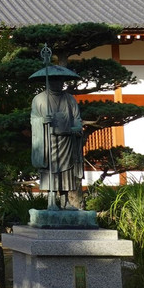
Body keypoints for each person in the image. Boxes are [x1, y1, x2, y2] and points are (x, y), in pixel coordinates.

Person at [31, 73, 84, 210]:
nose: (59, 84)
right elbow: (33, 119)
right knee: (51, 169)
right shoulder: (39, 99)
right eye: (56, 81)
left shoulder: (70, 99)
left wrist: (77, 128)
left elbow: (77, 119)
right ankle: (51, 201)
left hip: (67, 140)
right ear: (49, 82)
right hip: (49, 141)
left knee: (67, 171)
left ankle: (65, 201)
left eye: (61, 81)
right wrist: (42, 121)